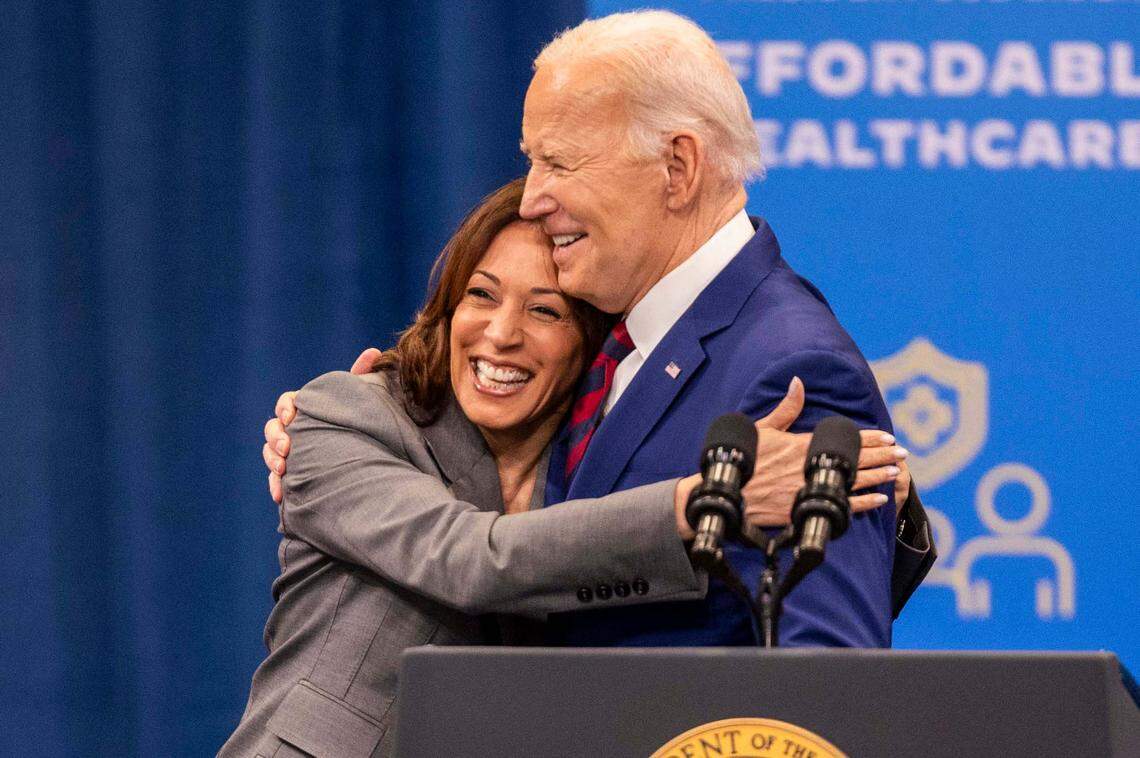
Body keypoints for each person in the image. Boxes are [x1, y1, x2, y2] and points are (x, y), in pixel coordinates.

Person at [225, 179, 911, 756]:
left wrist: (857, 493)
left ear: (590, 345)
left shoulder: (590, 466)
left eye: (544, 310)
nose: (501, 334)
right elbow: (469, 560)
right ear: (447, 307)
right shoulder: (348, 415)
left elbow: (728, 597)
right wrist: (698, 504)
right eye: (482, 295)